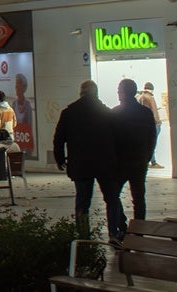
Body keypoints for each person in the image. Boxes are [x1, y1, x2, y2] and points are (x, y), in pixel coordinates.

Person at [53, 80, 125, 240]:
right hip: (104, 164)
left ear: (81, 93)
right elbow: (117, 139)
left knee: (82, 202)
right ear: (96, 93)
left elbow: (58, 139)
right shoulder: (107, 112)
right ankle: (114, 232)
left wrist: (60, 159)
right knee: (112, 199)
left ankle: (83, 235)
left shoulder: (69, 113)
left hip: (80, 165)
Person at [111, 78, 157, 229]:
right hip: (139, 162)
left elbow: (109, 139)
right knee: (139, 199)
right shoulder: (145, 113)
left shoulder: (115, 113)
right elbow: (152, 137)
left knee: (112, 196)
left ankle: (121, 226)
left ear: (124, 93)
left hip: (120, 163)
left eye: (119, 90)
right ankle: (139, 231)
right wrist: (147, 156)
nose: (118, 92)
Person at [137, 82, 164, 168]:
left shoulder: (140, 97)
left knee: (147, 143)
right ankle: (154, 162)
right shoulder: (151, 98)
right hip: (153, 124)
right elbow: (154, 112)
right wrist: (158, 122)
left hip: (144, 124)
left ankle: (147, 161)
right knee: (153, 143)